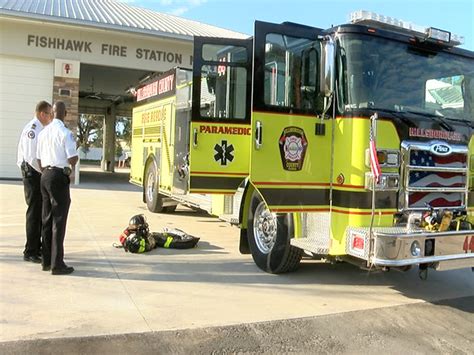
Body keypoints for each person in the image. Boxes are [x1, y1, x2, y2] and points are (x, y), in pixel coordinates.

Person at [37, 101, 78, 275]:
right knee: (58, 220)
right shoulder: (65, 133)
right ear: (65, 113)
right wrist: (69, 166)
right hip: (58, 177)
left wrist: (46, 172)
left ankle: (46, 261)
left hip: (44, 175)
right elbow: (73, 158)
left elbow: (38, 159)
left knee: (46, 219)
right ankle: (57, 264)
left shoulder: (43, 132)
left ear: (52, 113)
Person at [17, 100, 53, 263]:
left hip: (35, 173)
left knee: (38, 212)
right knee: (34, 212)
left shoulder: (40, 129)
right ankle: (30, 250)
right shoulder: (33, 130)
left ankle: (36, 246)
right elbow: (32, 158)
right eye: (49, 114)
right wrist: (44, 173)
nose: (51, 117)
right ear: (42, 114)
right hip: (32, 174)